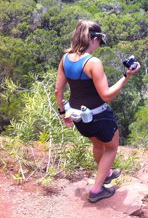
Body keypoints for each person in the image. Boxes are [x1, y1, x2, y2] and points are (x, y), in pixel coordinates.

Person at [55, 20, 140, 203]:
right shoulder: (93, 62)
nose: (99, 46)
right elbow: (106, 95)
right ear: (93, 39)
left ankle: (106, 173)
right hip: (98, 115)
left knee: (97, 144)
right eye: (99, 41)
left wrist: (64, 115)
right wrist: (127, 76)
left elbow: (58, 92)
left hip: (78, 116)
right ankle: (96, 190)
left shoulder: (65, 59)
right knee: (111, 148)